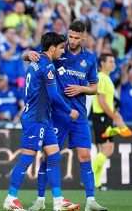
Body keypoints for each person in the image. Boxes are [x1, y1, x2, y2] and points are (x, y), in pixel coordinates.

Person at [25, 21, 107, 211]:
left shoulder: (90, 59)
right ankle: (39, 200)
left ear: (84, 38)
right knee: (49, 157)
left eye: (77, 37)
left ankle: (91, 200)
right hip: (58, 114)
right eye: (70, 36)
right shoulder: (58, 51)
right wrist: (26, 54)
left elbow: (95, 88)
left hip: (79, 115)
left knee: (85, 156)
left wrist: (82, 88)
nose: (72, 40)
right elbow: (36, 57)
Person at [3, 32, 80, 211]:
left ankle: (58, 201)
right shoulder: (48, 66)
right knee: (27, 158)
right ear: (52, 48)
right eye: (61, 48)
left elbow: (28, 56)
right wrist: (70, 111)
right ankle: (10, 198)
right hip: (36, 118)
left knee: (54, 156)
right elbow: (53, 95)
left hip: (43, 119)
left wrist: (26, 54)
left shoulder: (37, 59)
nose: (63, 51)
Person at [91, 53, 131, 190]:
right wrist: (114, 116)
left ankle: (96, 183)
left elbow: (106, 101)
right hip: (102, 116)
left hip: (103, 117)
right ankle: (88, 176)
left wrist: (114, 114)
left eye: (114, 61)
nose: (113, 64)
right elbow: (101, 101)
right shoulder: (101, 78)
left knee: (103, 150)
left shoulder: (106, 78)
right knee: (108, 149)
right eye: (110, 61)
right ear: (102, 63)